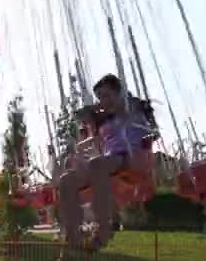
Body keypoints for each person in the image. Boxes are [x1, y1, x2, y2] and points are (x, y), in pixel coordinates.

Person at [59, 74, 153, 249]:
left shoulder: (131, 108)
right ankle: (73, 235)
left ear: (119, 94)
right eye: (99, 97)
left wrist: (95, 108)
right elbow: (96, 139)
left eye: (106, 95)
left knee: (96, 164)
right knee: (66, 180)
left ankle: (104, 226)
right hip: (108, 160)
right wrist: (78, 145)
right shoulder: (105, 119)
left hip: (130, 157)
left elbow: (129, 110)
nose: (103, 101)